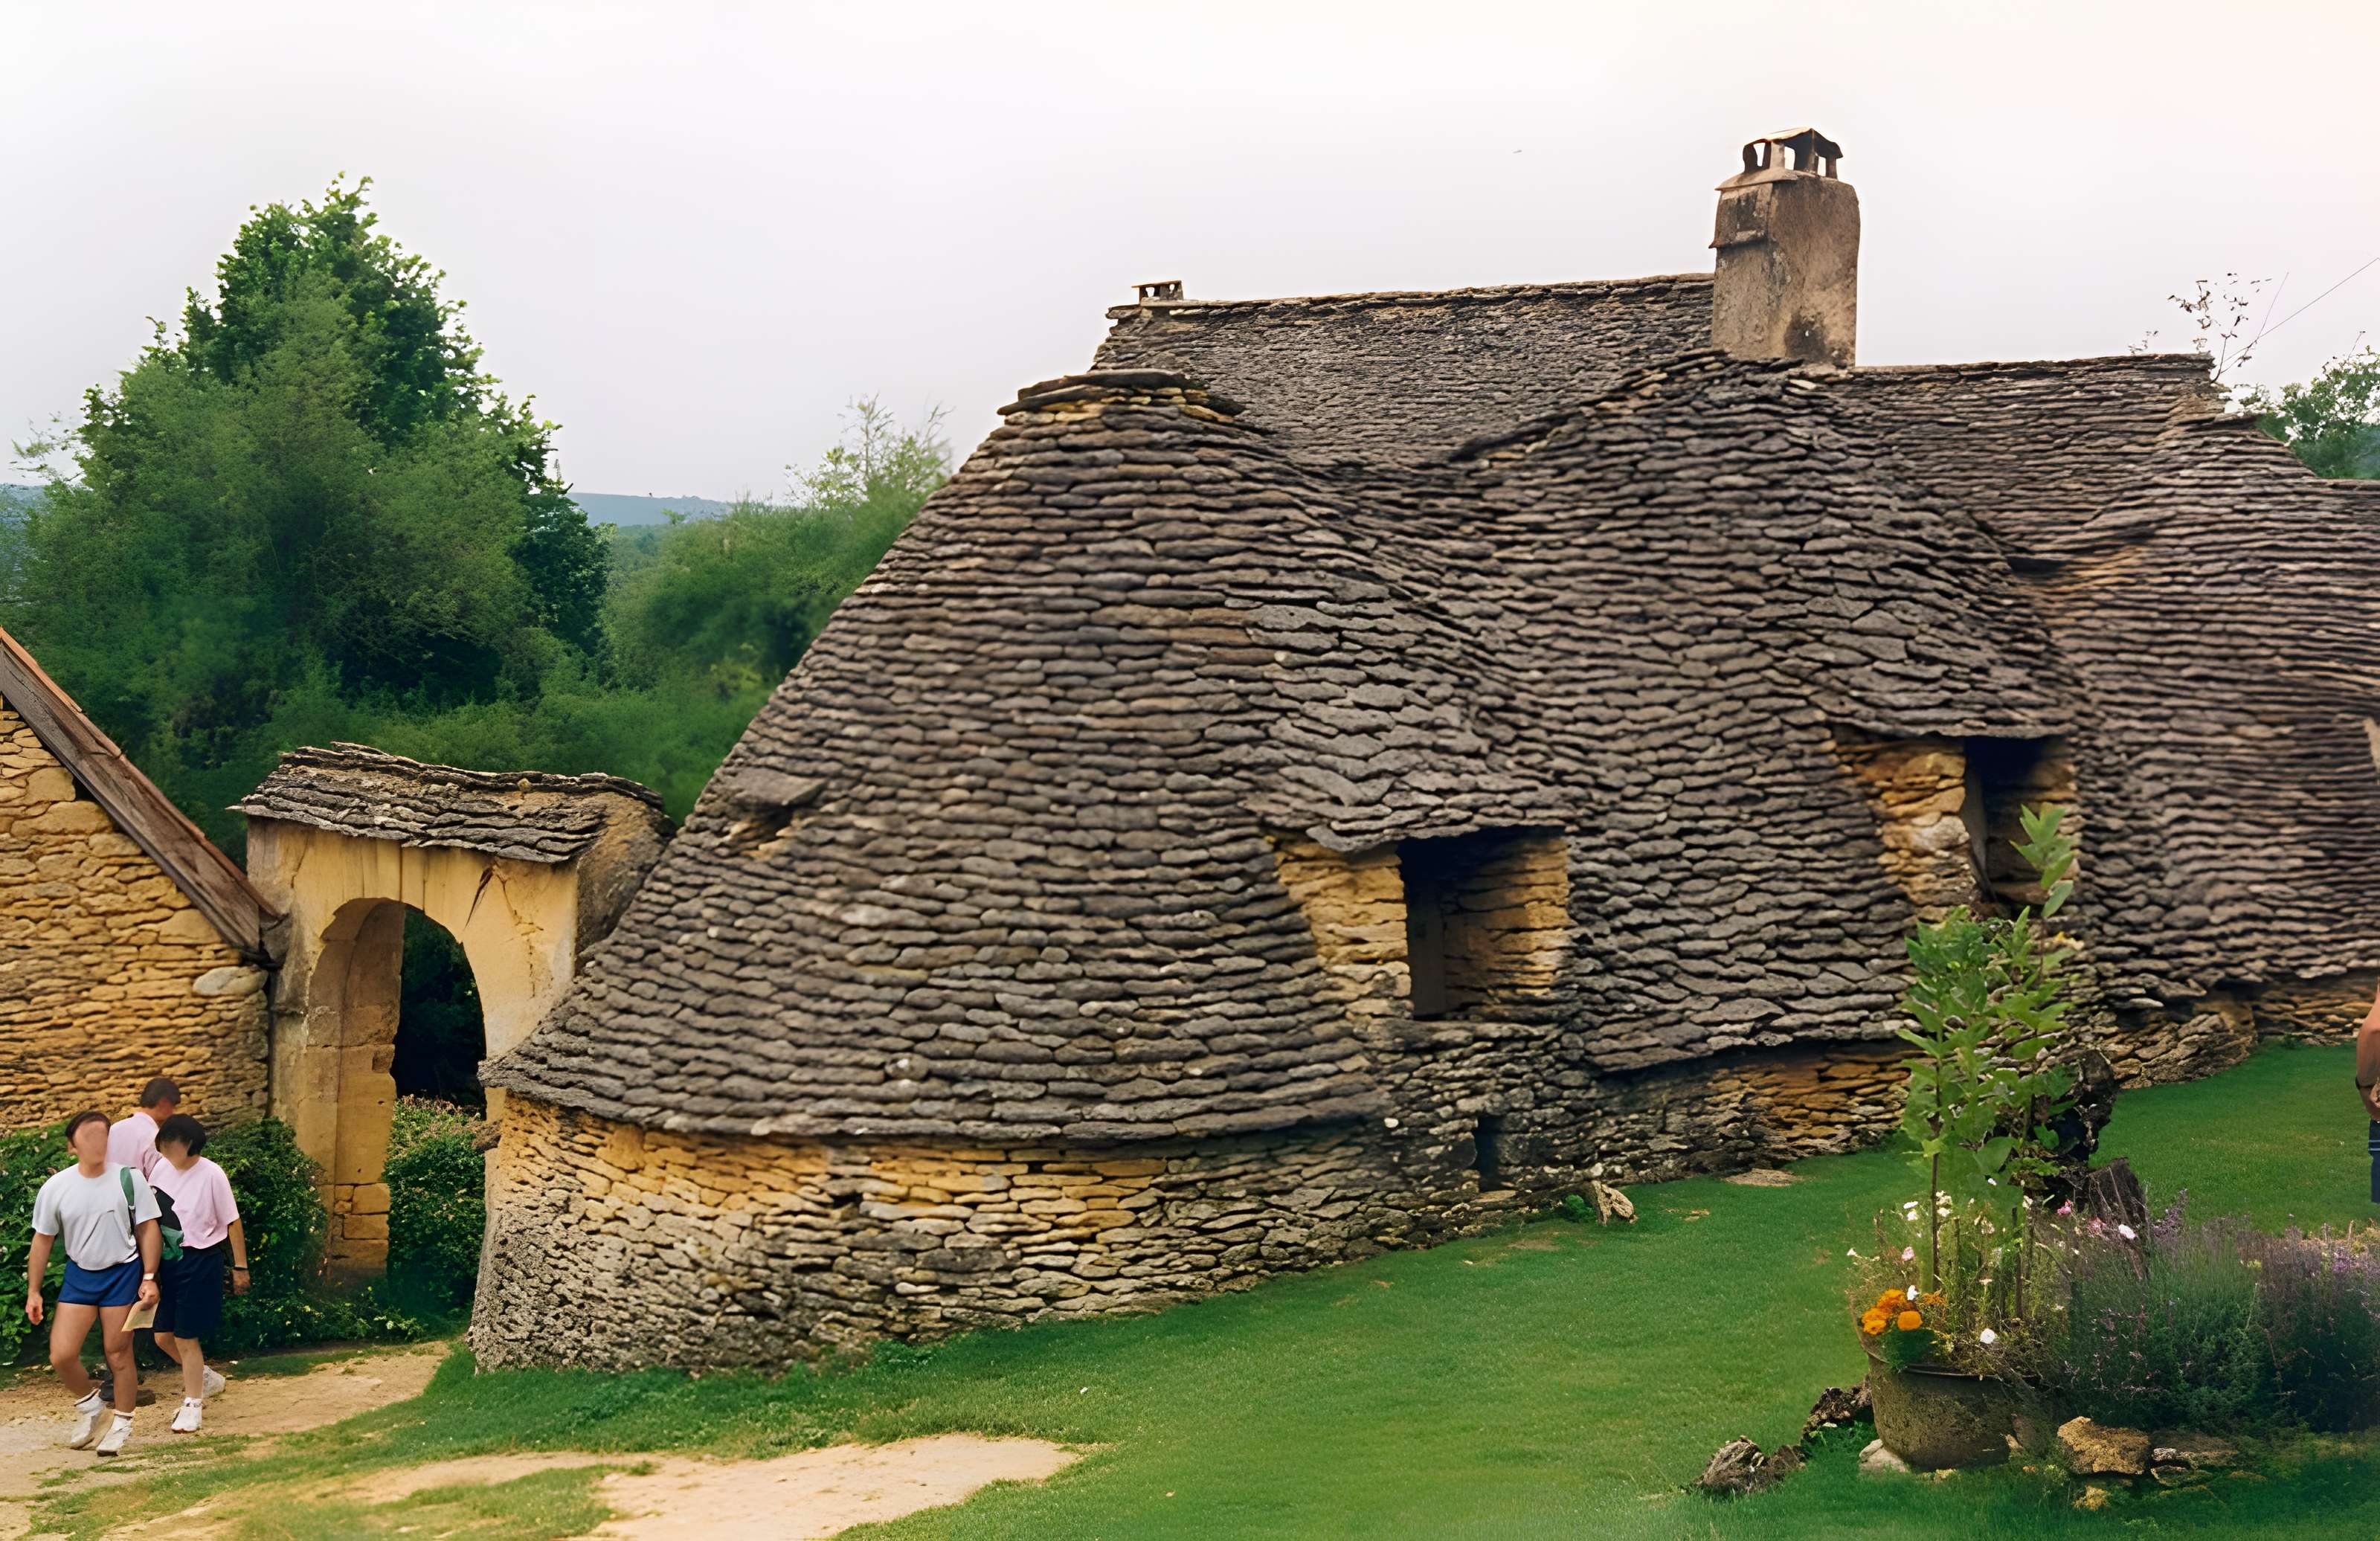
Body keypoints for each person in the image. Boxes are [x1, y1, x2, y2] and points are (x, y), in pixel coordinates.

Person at [25, 1110, 161, 1457]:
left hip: (123, 1272)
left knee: (118, 1353)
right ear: (72, 1146)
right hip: (80, 1275)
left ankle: (122, 1422)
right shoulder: (56, 1187)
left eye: (103, 1135)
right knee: (61, 1355)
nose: (97, 1143)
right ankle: (90, 1405)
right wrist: (34, 1291)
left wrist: (149, 1277)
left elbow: (148, 1229)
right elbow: (42, 1241)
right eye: (88, 1136)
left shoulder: (128, 1178)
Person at [148, 1113, 245, 1432]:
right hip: (167, 1261)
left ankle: (192, 1406)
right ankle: (203, 1377)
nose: (163, 1150)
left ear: (188, 1144)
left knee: (186, 1336)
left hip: (200, 1259)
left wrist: (240, 1267)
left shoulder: (212, 1174)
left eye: (169, 1144)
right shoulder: (161, 1168)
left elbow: (233, 1222)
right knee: (163, 1336)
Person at [106, 1078, 179, 1182]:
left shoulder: (115, 1129)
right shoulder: (155, 1138)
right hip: (140, 1196)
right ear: (164, 1103)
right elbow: (160, 1184)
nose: (173, 1113)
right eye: (173, 1107)